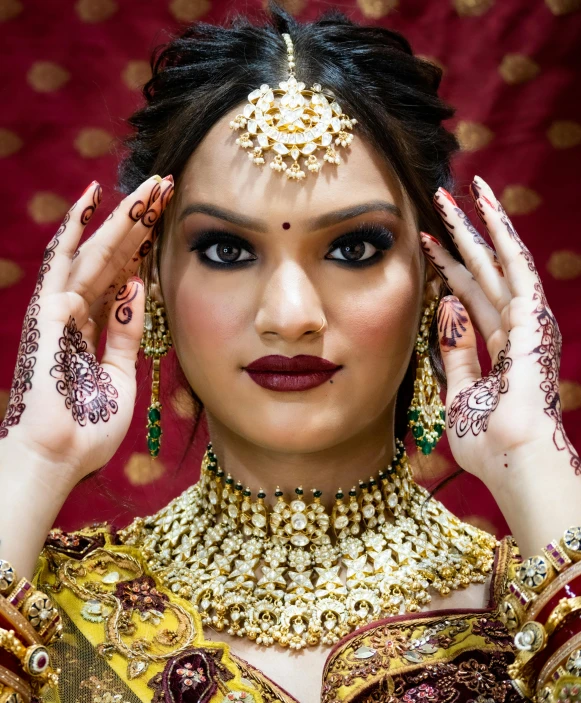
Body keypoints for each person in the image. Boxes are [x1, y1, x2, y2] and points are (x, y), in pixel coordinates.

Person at [0, 4, 579, 703]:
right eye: (226, 249)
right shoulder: (48, 615)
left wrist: (538, 465)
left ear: (433, 276)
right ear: (148, 278)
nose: (290, 316)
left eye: (353, 248)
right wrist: (33, 460)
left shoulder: (537, 613)